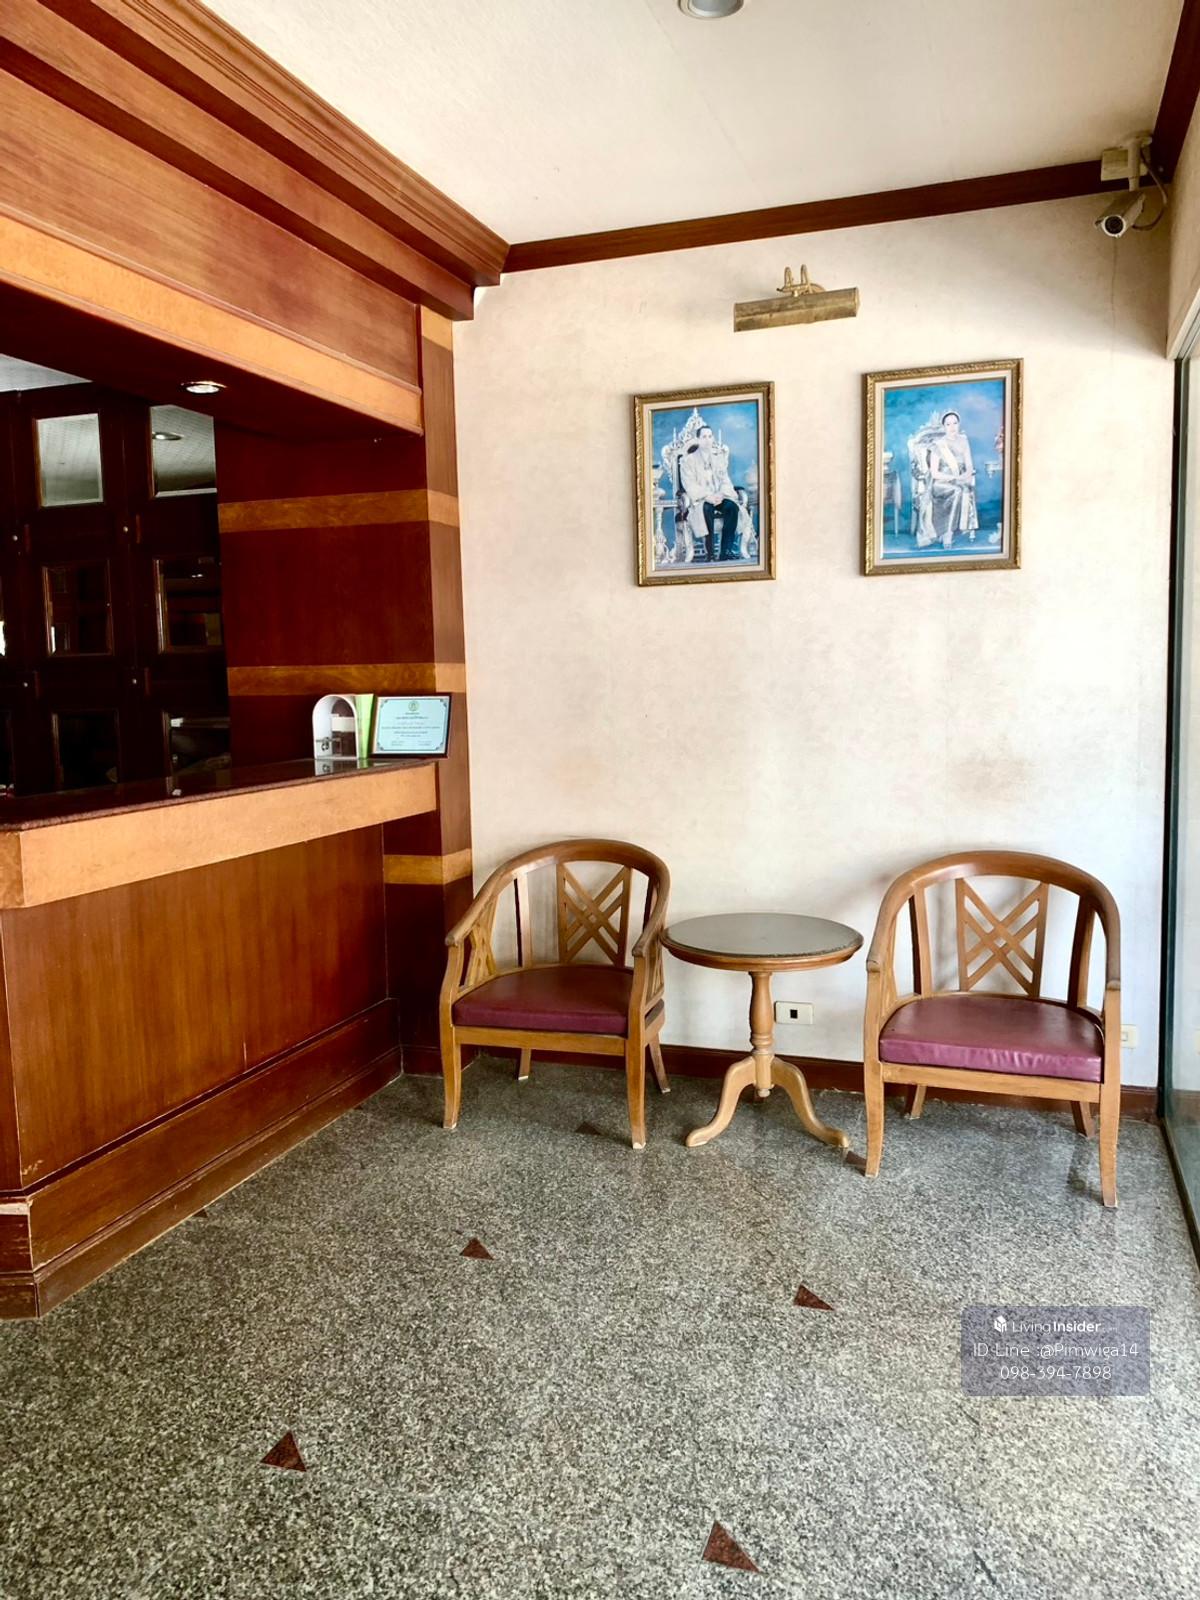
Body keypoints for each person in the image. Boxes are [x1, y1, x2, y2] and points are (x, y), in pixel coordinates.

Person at [678, 424, 741, 561]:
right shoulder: (688, 460)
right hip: (701, 499)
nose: (707, 440)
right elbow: (689, 484)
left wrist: (721, 494)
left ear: (713, 438)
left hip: (719, 496)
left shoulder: (719, 459)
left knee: (732, 507)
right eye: (704, 437)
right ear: (698, 439)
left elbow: (725, 480)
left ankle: (725, 551)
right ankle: (710, 553)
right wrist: (707, 496)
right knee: (706, 508)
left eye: (710, 436)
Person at [926, 410, 978, 547]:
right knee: (957, 490)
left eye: (955, 423)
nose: (952, 427)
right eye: (948, 424)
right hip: (940, 483)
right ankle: (947, 533)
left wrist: (966, 475)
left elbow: (969, 465)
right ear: (944, 426)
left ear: (959, 424)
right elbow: (934, 473)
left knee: (961, 488)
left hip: (959, 480)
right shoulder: (938, 444)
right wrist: (954, 478)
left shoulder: (964, 441)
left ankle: (950, 531)